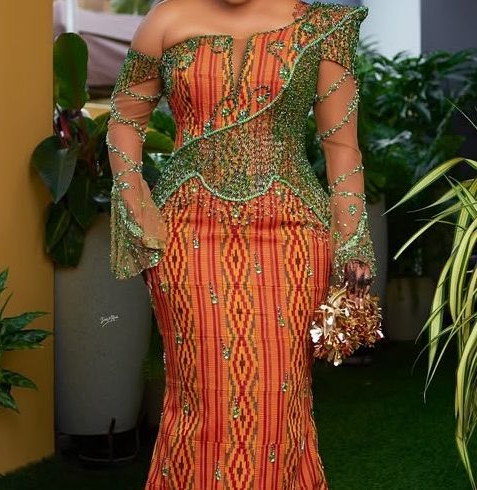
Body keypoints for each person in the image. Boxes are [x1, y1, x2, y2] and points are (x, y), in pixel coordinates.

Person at [106, 0, 375, 487]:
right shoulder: (166, 19)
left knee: (278, 397)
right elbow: (125, 120)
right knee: (201, 395)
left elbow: (341, 147)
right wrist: (138, 211)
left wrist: (353, 242)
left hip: (292, 236)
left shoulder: (322, 26)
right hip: (186, 237)